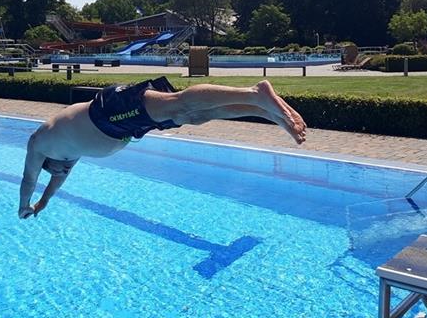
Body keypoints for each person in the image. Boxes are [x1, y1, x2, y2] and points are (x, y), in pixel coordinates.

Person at [18, 77, 307, 218]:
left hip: (106, 111)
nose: (63, 173)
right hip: (125, 128)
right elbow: (53, 184)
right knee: (192, 116)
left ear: (51, 162)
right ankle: (264, 111)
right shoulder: (65, 159)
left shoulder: (40, 144)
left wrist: (23, 206)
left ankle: (255, 93)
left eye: (60, 170)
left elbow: (29, 179)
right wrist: (42, 204)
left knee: (180, 103)